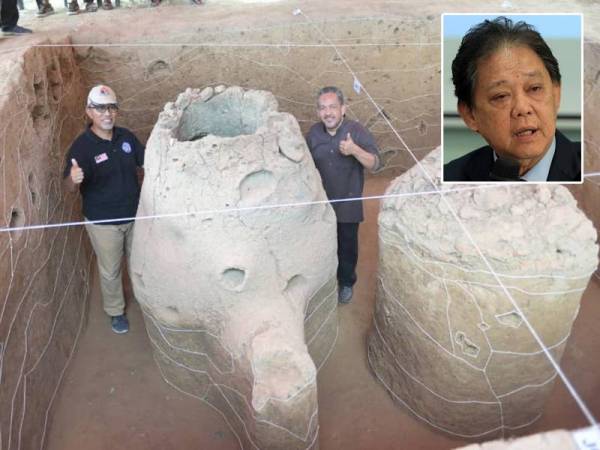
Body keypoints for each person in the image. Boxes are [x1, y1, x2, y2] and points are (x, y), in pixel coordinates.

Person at [444, 16, 581, 182]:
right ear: (470, 115)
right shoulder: (449, 181)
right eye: (501, 96)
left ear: (556, 94)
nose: (522, 108)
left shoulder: (592, 170)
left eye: (534, 88)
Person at [63, 85, 144, 334]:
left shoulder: (127, 137)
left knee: (139, 262)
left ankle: (145, 299)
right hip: (103, 222)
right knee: (110, 271)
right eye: (99, 108)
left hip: (135, 215)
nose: (106, 114)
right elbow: (68, 186)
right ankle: (116, 311)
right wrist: (72, 179)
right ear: (89, 112)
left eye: (111, 107)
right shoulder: (81, 147)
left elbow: (146, 162)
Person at [306, 86, 380, 304]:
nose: (328, 113)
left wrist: (355, 150)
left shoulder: (356, 131)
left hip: (348, 205)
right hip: (321, 204)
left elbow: (376, 164)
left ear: (343, 109)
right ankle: (324, 281)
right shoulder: (313, 134)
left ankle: (346, 282)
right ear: (318, 112)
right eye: (322, 108)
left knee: (347, 248)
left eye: (332, 107)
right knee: (322, 244)